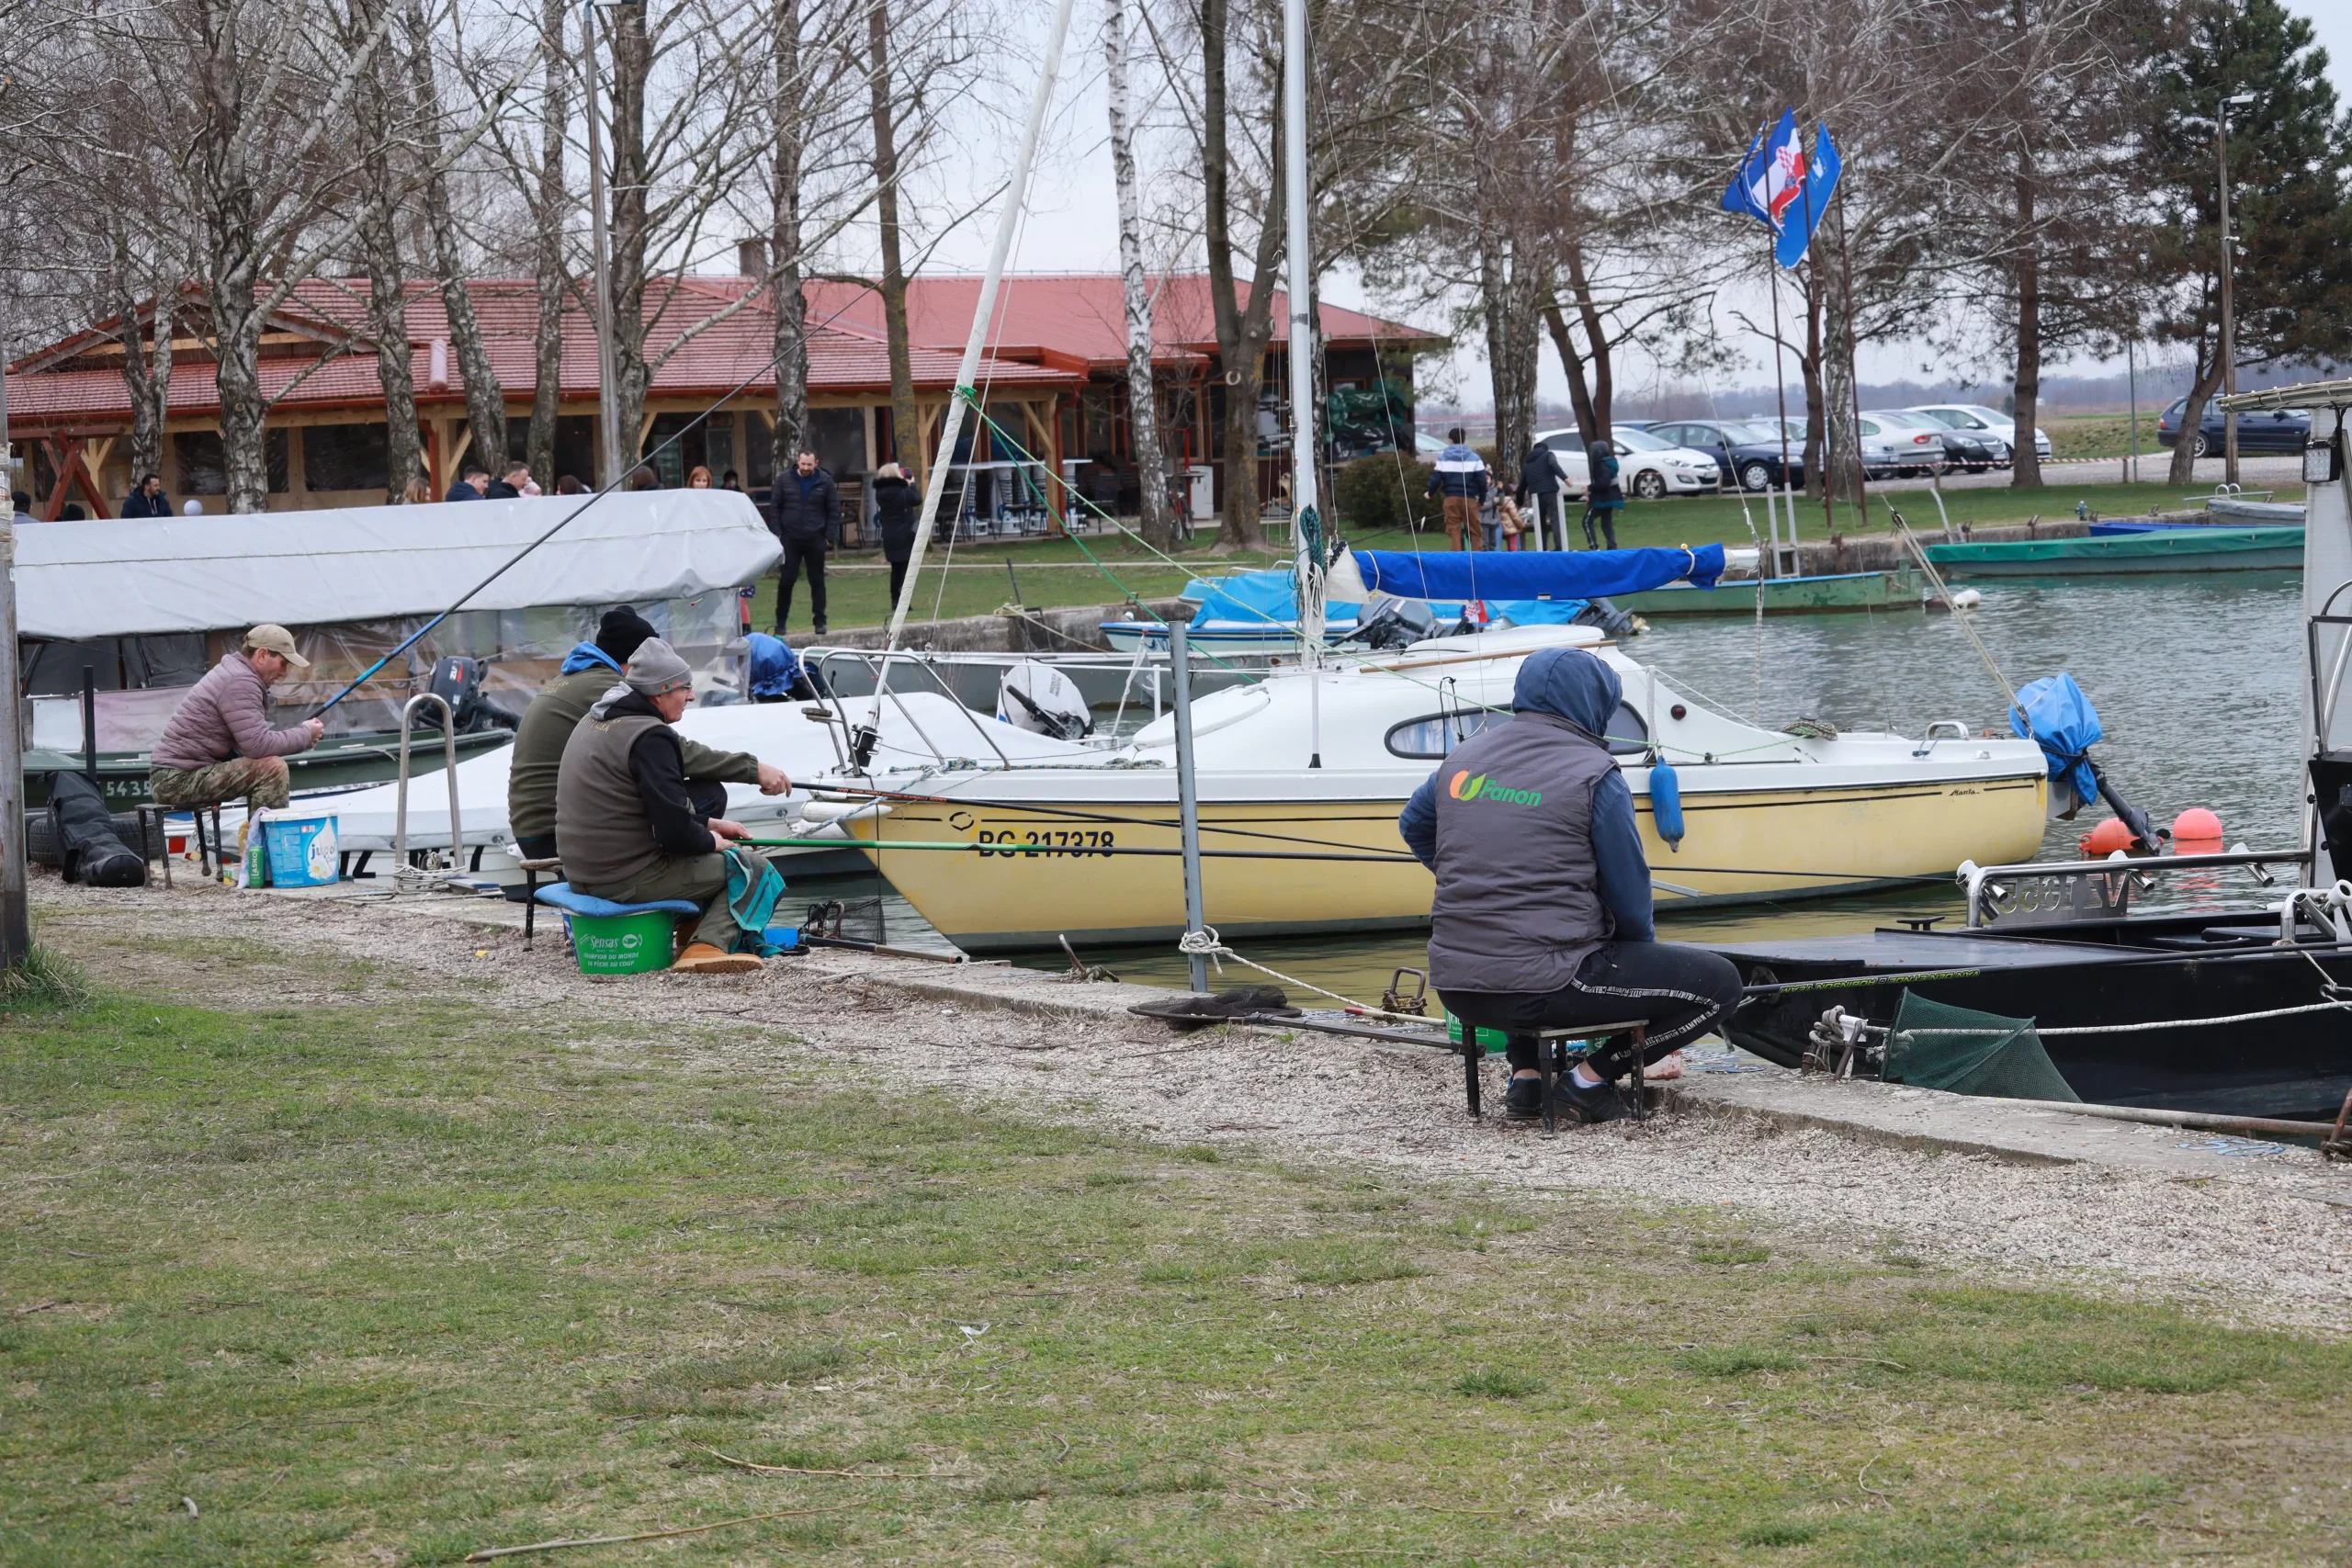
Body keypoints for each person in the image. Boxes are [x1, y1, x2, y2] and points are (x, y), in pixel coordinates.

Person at [1398, 647, 1743, 1123]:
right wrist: (1634, 952)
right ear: (1595, 704)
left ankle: (1526, 1079)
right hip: (1550, 985)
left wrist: (1471, 877)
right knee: (1720, 986)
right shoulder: (1594, 773)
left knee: (1523, 945)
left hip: (1458, 989)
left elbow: (1413, 825)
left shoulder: (1462, 757)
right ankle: (1587, 1082)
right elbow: (1628, 890)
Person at [554, 637, 786, 975]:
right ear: (660, 692)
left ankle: (691, 934)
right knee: (754, 869)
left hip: (582, 872)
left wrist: (708, 824)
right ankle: (706, 948)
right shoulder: (650, 736)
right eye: (685, 688)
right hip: (621, 879)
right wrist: (713, 842)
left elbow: (637, 807)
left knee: (718, 852)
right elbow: (673, 833)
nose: (691, 696)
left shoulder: (595, 720)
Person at [507, 607, 788, 863]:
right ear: (637, 664)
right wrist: (753, 769)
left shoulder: (575, 677)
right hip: (554, 834)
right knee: (709, 795)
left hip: (536, 828)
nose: (690, 696)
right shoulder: (611, 690)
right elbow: (676, 753)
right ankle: (663, 872)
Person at [148, 625, 326, 818]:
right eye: (283, 663)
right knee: (272, 769)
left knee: (266, 764)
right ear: (262, 655)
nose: (284, 673)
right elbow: (258, 746)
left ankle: (256, 832)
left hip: (177, 774)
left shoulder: (235, 673)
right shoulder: (240, 681)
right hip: (175, 780)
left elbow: (251, 744)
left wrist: (303, 735)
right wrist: (305, 735)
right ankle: (264, 837)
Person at [769, 449, 839, 636]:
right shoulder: (784, 480)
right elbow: (774, 508)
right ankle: (781, 622)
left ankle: (820, 622)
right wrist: (778, 534)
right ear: (797, 462)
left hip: (816, 537)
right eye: (803, 464)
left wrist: (828, 536)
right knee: (787, 580)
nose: (806, 467)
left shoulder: (825, 481)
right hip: (790, 538)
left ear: (816, 463)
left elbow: (833, 510)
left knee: (817, 581)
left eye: (809, 464)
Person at [1424, 427, 1488, 551]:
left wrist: (1429, 493)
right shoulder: (1475, 458)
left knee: (1454, 531)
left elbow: (1436, 479)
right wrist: (1482, 499)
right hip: (1469, 499)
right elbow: (1482, 481)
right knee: (1475, 531)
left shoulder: (1443, 458)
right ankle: (1477, 559)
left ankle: (1456, 559)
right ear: (1464, 440)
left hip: (1451, 498)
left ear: (1450, 441)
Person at [872, 461, 920, 605]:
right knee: (905, 567)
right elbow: (916, 499)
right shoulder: (902, 490)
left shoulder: (880, 493)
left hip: (889, 533)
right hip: (905, 532)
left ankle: (895, 598)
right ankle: (904, 600)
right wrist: (912, 485)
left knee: (895, 568)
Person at [1516, 444, 1564, 551]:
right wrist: (1565, 478)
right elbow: (1554, 465)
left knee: (1540, 522)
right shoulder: (1548, 455)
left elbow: (1521, 487)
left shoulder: (1528, 465)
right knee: (1555, 519)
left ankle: (1542, 548)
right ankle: (1559, 546)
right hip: (1550, 492)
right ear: (1545, 449)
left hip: (1536, 496)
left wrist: (1519, 503)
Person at [1580, 440, 1623, 550]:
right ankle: (1612, 547)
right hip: (1610, 499)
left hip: (1602, 500)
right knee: (1606, 523)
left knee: (1586, 521)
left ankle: (1594, 547)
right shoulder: (1610, 463)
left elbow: (1603, 483)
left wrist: (1589, 488)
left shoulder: (1601, 465)